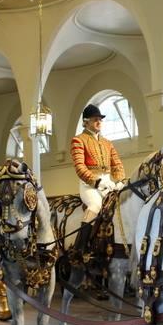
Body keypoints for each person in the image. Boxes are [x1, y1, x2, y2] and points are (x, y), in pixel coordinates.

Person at [70, 104, 126, 253]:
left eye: (100, 119)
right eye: (95, 119)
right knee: (95, 206)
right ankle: (79, 247)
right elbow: (80, 168)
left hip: (108, 182)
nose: (99, 122)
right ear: (86, 122)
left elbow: (117, 164)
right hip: (89, 185)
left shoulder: (108, 143)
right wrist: (96, 182)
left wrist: (120, 180)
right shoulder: (78, 140)